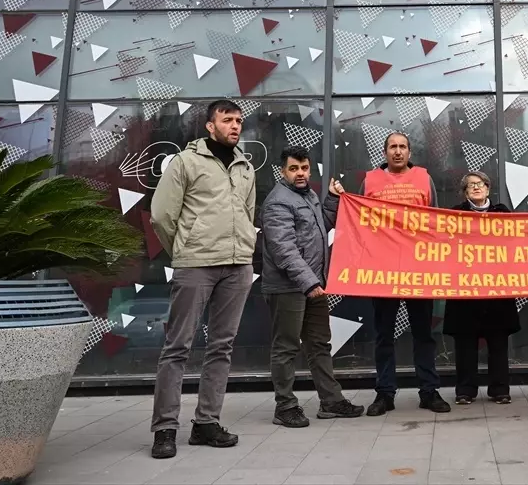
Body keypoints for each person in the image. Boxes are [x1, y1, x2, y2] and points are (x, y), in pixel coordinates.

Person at [148, 100, 257, 460]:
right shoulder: (185, 162)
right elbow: (162, 215)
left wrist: (245, 244)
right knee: (177, 347)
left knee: (221, 347)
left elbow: (248, 213)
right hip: (196, 264)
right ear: (210, 126)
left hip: (238, 265)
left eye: (239, 120)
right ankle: (165, 428)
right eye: (227, 120)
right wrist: (184, 249)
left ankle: (206, 423)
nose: (235, 126)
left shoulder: (245, 166)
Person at [258, 145, 365, 428]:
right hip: (288, 288)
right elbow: (284, 250)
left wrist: (332, 199)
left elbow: (321, 226)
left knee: (319, 344)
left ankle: (331, 402)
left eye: (304, 168)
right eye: (293, 169)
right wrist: (309, 283)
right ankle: (285, 406)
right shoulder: (278, 202)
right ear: (282, 171)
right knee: (286, 347)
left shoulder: (309, 196)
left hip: (313, 285)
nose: (300, 173)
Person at [362, 131, 451, 415]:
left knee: (424, 334)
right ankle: (384, 394)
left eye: (402, 147)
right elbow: (360, 222)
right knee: (383, 335)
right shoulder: (370, 180)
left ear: (410, 152)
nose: (398, 151)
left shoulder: (424, 178)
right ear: (385, 152)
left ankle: (429, 391)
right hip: (383, 271)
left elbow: (435, 220)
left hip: (419, 269)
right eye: (392, 147)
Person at [442, 172, 520, 406]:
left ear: (488, 188)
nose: (476, 188)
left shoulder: (502, 213)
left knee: (498, 342)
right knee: (465, 343)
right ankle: (465, 390)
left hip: (497, 289)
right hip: (465, 290)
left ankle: (500, 389)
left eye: (480, 184)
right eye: (471, 185)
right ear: (465, 192)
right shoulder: (455, 214)